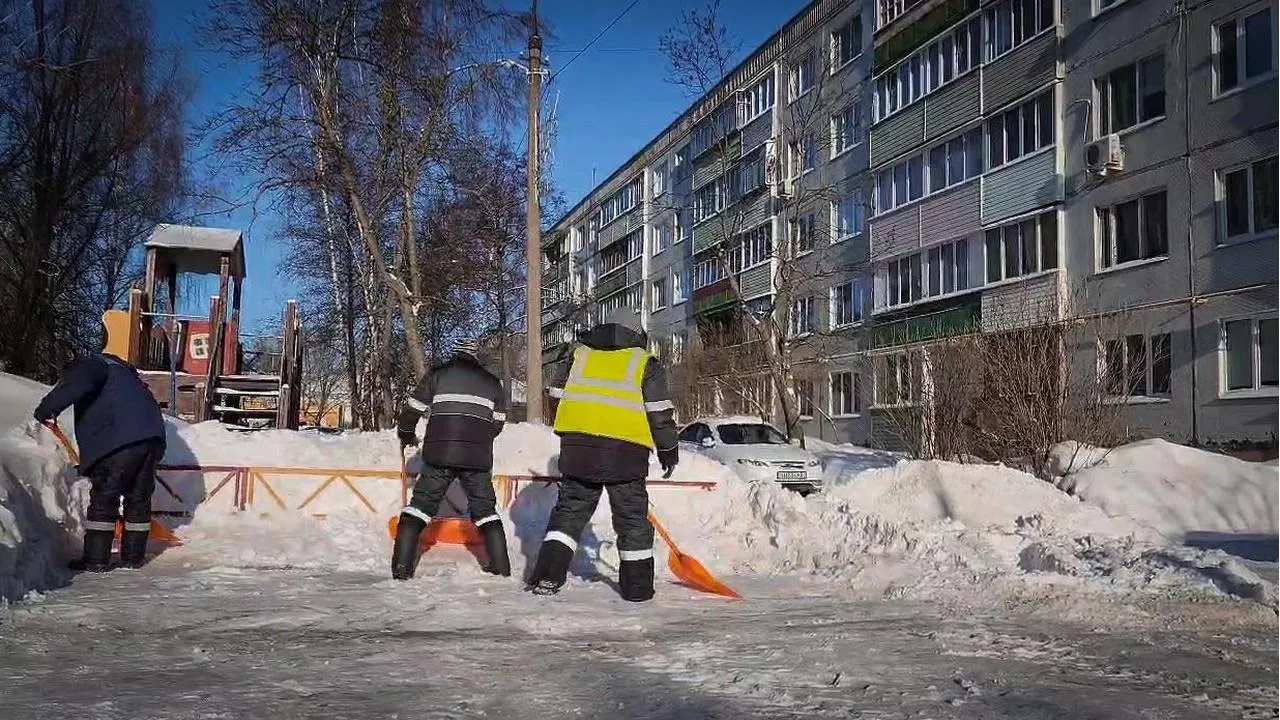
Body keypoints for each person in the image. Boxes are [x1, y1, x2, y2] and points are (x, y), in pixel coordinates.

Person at [526, 307, 678, 602]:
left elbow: (555, 397)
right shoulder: (644, 363)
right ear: (638, 333)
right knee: (632, 520)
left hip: (578, 451)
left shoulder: (578, 356)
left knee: (569, 514)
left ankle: (546, 577)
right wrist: (668, 449)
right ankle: (638, 590)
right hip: (627, 454)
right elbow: (659, 414)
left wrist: (578, 429)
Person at [33, 349, 167, 572]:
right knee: (138, 499)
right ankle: (133, 559)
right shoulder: (127, 376)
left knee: (105, 497)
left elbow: (76, 385)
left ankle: (96, 560)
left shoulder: (93, 364)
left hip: (118, 438)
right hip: (153, 438)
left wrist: (46, 409)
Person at [391, 338, 511, 580]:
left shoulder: (438, 375)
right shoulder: (492, 382)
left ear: (455, 352)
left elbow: (413, 409)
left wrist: (405, 433)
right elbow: (498, 423)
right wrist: (478, 440)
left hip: (439, 455)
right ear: (476, 355)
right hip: (477, 458)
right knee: (485, 510)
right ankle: (501, 567)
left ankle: (402, 568)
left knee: (419, 507)